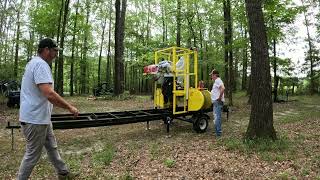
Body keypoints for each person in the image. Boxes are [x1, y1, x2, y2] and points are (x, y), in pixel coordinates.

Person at [18, 38, 79, 180]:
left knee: (51, 146)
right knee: (32, 155)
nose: (56, 54)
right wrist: (69, 107)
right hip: (35, 120)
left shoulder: (34, 63)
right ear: (46, 50)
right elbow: (49, 93)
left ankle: (63, 173)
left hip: (40, 118)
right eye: (54, 50)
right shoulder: (40, 65)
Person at [210, 69, 225, 137]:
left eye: (212, 75)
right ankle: (217, 132)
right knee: (216, 117)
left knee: (217, 118)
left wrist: (219, 98)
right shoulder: (216, 81)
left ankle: (218, 134)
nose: (211, 76)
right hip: (216, 102)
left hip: (217, 102)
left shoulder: (218, 80)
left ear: (215, 75)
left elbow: (223, 88)